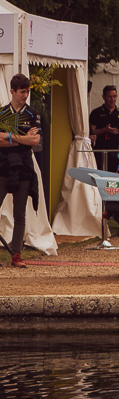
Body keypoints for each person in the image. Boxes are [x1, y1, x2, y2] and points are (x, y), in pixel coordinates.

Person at [0, 74, 41, 267]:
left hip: (24, 167)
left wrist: (9, 136)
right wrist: (21, 137)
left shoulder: (32, 113)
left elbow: (34, 141)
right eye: (22, 92)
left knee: (19, 213)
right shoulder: (1, 113)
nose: (25, 95)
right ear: (12, 91)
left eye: (27, 91)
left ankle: (16, 253)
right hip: (3, 166)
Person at [89, 85, 119, 173]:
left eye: (114, 96)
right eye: (110, 96)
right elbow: (92, 131)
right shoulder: (96, 113)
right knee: (100, 173)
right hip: (101, 149)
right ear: (104, 97)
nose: (112, 99)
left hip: (116, 149)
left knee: (115, 174)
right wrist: (105, 130)